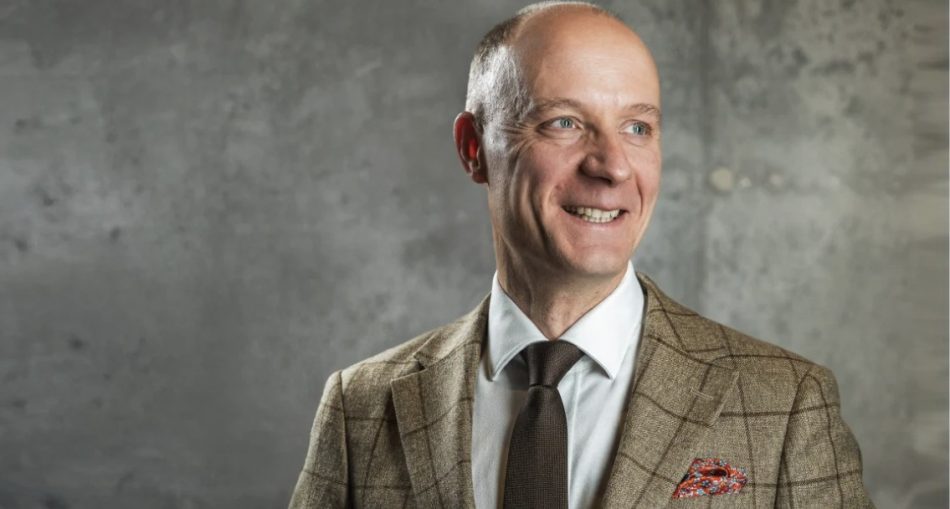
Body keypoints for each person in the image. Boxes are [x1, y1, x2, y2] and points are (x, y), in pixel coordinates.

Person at [288, 2, 873, 507]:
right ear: (474, 148)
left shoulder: (786, 404)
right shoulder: (361, 408)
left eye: (637, 128)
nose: (613, 166)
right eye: (564, 122)